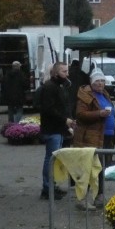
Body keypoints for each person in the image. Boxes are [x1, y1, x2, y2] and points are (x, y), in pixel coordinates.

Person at [72, 70, 114, 210]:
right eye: (97, 81)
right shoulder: (85, 95)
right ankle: (82, 198)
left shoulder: (104, 94)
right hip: (91, 137)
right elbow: (80, 114)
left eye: (102, 81)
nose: (100, 83)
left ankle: (99, 196)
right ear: (91, 82)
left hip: (106, 136)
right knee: (89, 168)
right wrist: (99, 113)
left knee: (101, 168)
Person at [39, 62, 74, 200]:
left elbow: (64, 106)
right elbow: (49, 109)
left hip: (58, 128)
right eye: (64, 71)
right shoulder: (49, 87)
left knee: (54, 159)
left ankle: (51, 186)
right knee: (51, 159)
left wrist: (68, 121)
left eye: (67, 71)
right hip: (52, 128)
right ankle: (48, 188)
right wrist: (65, 120)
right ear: (55, 72)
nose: (67, 74)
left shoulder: (61, 86)